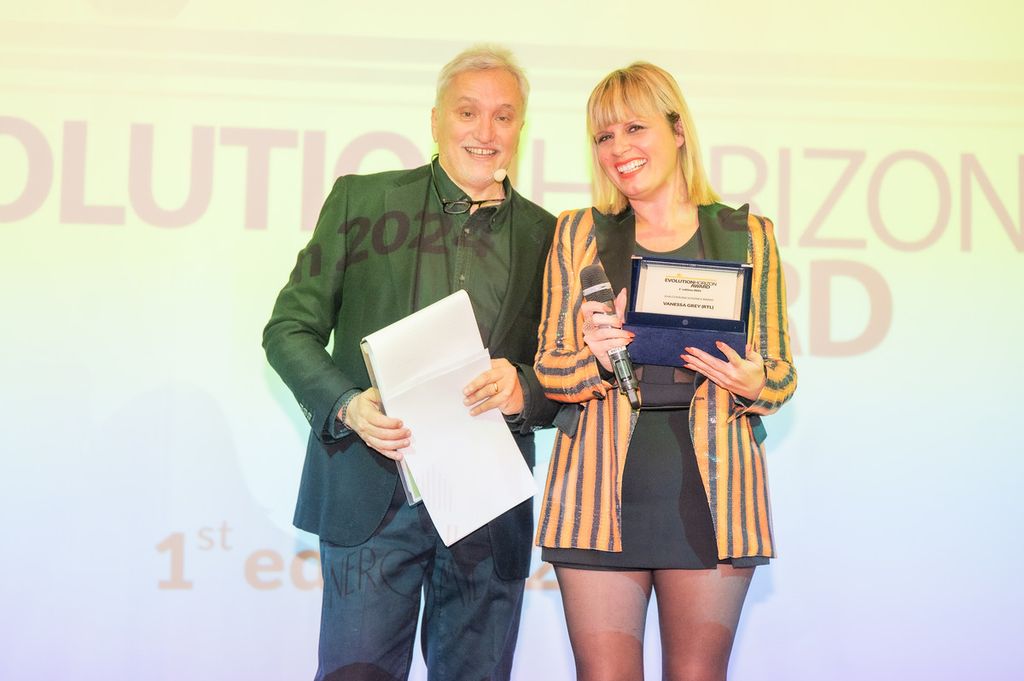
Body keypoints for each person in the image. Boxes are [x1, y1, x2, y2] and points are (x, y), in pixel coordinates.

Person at [263, 45, 558, 681]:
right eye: (468, 113)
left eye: (504, 116)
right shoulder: (361, 203)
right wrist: (347, 405)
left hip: (487, 507)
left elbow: (564, 371)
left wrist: (526, 391)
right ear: (435, 120)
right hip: (372, 494)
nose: (485, 132)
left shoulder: (551, 235)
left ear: (521, 127)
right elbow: (288, 329)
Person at [534, 62, 798, 681]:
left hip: (712, 494)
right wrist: (596, 359)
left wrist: (756, 384)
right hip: (597, 493)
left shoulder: (747, 235)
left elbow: (782, 373)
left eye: (634, 128)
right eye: (604, 136)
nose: (618, 148)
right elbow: (549, 368)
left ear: (678, 130)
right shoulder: (578, 233)